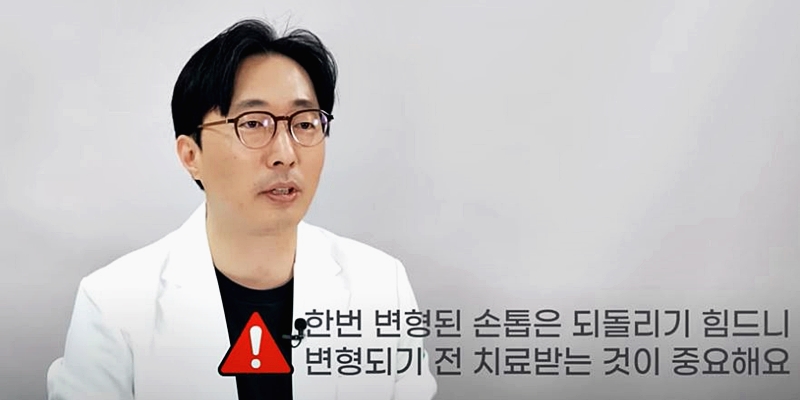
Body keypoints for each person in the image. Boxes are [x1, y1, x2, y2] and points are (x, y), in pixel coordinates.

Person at [46, 18, 437, 400]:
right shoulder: (113, 304)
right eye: (253, 123)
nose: (285, 154)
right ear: (191, 155)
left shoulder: (381, 286)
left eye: (304, 124)